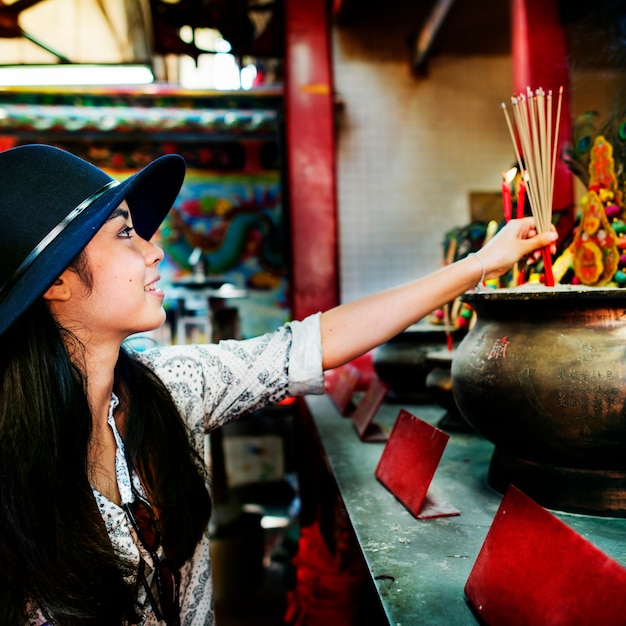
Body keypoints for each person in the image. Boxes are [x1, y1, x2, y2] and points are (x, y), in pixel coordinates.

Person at [0, 144, 557, 626]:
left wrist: (479, 264)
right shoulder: (10, 473)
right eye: (126, 232)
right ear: (58, 284)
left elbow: (311, 344)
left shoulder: (171, 389)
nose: (154, 249)